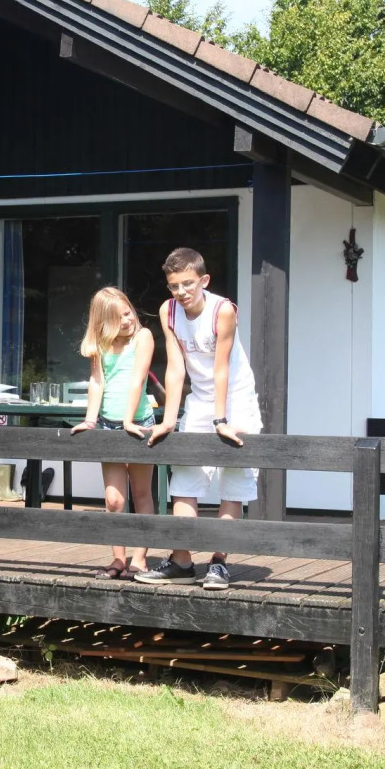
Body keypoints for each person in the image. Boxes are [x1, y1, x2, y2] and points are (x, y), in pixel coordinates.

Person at [134, 248, 262, 590]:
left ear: (203, 281)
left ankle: (219, 563)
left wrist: (221, 419)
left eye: (188, 283)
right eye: (174, 285)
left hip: (235, 397)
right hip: (199, 399)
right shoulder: (168, 310)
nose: (181, 291)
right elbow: (176, 369)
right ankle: (182, 561)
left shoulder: (224, 311)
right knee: (184, 482)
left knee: (233, 481)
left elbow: (221, 368)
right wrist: (169, 419)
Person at [69, 287, 156, 579]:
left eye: (128, 312)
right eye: (118, 318)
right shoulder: (101, 345)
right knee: (114, 500)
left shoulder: (143, 338)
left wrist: (129, 420)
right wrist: (90, 421)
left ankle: (140, 559)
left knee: (142, 492)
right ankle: (118, 558)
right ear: (104, 323)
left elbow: (137, 379)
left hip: (139, 422)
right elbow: (97, 382)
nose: (127, 320)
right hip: (107, 423)